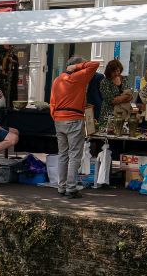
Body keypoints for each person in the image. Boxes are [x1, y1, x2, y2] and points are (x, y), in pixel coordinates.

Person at [50, 56, 101, 198]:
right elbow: (95, 64)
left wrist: (55, 117)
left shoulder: (57, 80)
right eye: (81, 65)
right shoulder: (79, 77)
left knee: (63, 155)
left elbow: (52, 103)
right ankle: (71, 188)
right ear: (75, 66)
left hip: (59, 119)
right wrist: (79, 67)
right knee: (74, 155)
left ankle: (61, 187)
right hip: (74, 118)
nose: (84, 67)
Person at [99, 59, 134, 136]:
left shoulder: (124, 79)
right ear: (109, 72)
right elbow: (111, 100)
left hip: (124, 113)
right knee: (109, 136)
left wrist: (120, 98)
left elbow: (131, 96)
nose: (117, 73)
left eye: (118, 71)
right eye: (114, 72)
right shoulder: (104, 82)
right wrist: (125, 96)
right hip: (109, 114)